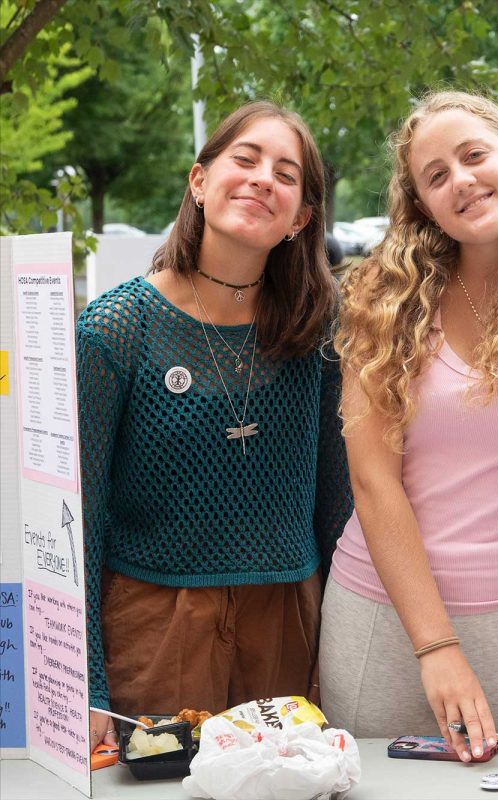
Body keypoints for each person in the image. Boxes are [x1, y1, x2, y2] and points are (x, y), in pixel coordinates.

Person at [79, 101, 352, 750]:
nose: (264, 179)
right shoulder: (116, 330)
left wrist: (333, 656)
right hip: (155, 625)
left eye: (287, 174)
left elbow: (338, 508)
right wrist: (84, 686)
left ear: (301, 219)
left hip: (288, 621)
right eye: (246, 159)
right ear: (199, 182)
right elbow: (79, 525)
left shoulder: (320, 333)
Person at [323, 91, 498, 760]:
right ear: (421, 203)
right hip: (384, 620)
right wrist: (436, 645)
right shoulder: (383, 301)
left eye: (474, 156)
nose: (462, 182)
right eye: (436, 176)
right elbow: (372, 480)